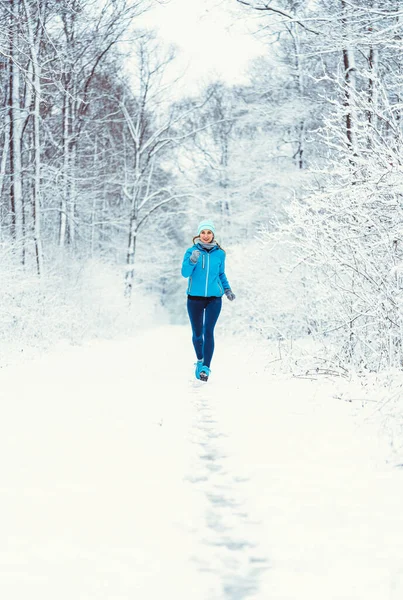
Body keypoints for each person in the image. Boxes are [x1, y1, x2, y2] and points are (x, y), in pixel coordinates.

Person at [181, 220, 236, 382]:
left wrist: (227, 289)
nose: (206, 236)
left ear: (213, 234)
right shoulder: (191, 251)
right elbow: (185, 273)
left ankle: (206, 368)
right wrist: (192, 260)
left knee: (208, 331)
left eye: (209, 233)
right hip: (194, 299)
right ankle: (200, 360)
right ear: (199, 234)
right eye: (203, 232)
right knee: (197, 334)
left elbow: (221, 274)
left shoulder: (220, 253)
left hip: (214, 298)